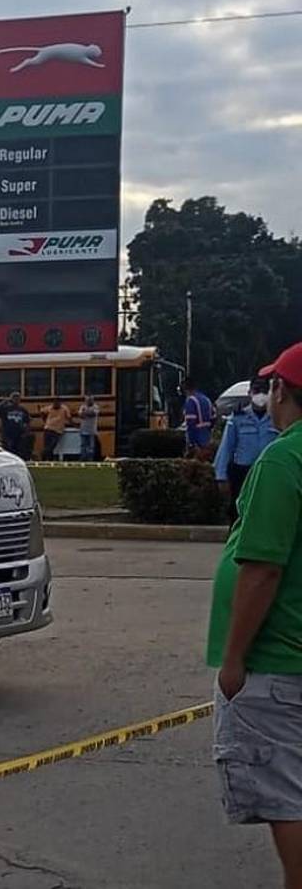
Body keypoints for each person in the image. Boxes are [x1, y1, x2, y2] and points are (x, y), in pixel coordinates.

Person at [207, 341, 302, 888]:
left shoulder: (284, 459)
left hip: (278, 660)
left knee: (289, 799)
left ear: (282, 391)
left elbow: (262, 568)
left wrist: (233, 660)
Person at [215, 376, 280, 523]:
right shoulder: (238, 418)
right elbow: (226, 447)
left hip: (269, 471)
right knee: (239, 513)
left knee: (268, 511)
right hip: (243, 472)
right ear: (250, 393)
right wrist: (221, 476)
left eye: (264, 391)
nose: (261, 395)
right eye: (257, 390)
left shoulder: (276, 418)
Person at [183, 376, 216, 458]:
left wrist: (191, 443)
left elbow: (191, 424)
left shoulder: (191, 401)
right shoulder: (207, 400)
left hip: (197, 441)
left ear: (186, 389)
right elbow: (214, 418)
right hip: (207, 438)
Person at [0, 391, 31, 459]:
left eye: (18, 398)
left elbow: (27, 422)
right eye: (14, 398)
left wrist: (26, 432)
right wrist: (3, 403)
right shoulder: (5, 409)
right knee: (8, 450)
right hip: (8, 433)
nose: (16, 400)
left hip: (19, 433)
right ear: (11, 399)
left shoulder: (23, 410)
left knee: (18, 450)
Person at [77, 395, 101, 462]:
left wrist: (85, 413)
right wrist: (86, 413)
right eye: (87, 400)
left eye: (90, 400)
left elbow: (93, 413)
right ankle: (83, 458)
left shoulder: (95, 407)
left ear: (93, 400)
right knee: (83, 445)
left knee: (91, 446)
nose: (88, 401)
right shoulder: (82, 406)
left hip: (92, 430)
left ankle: (90, 459)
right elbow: (80, 415)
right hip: (83, 429)